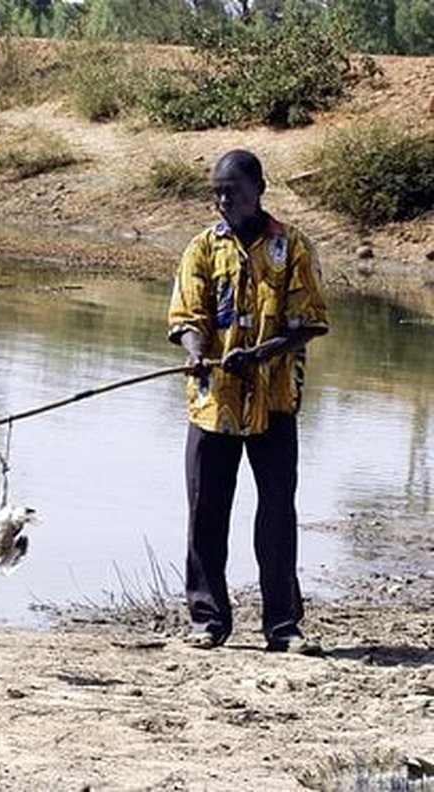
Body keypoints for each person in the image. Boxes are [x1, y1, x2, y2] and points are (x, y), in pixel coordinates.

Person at [167, 149, 329, 655]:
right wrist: (198, 353)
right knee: (206, 512)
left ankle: (283, 626)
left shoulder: (292, 246)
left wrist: (257, 355)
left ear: (259, 188)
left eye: (232, 190)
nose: (222, 200)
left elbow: (309, 322)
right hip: (213, 404)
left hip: (275, 402)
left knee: (277, 512)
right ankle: (208, 621)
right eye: (216, 190)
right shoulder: (201, 247)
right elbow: (187, 317)